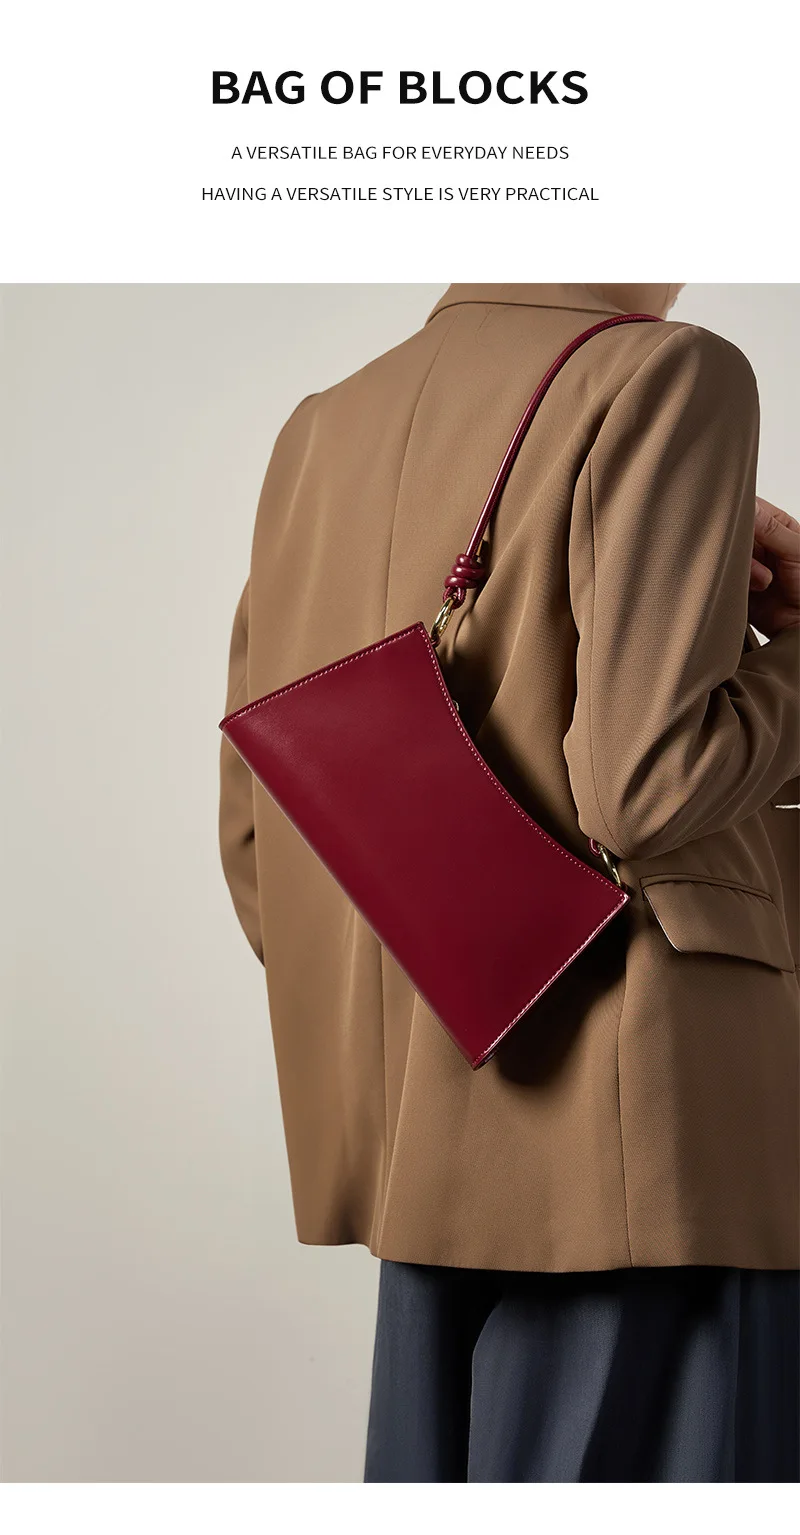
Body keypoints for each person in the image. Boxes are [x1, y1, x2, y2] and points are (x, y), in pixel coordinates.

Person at [219, 284, 800, 1482]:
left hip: (423, 1147)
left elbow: (255, 839)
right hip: (649, 1153)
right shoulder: (666, 375)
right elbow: (644, 785)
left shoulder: (319, 428)